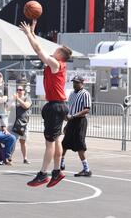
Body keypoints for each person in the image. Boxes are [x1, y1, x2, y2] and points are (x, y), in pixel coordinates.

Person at [20, 19, 72, 188]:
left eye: (56, 50)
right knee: (56, 141)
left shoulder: (56, 64)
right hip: (57, 105)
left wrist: (28, 34)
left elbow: (38, 50)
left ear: (60, 55)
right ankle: (57, 171)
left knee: (49, 143)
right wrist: (33, 33)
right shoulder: (56, 63)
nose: (53, 51)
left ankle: (43, 174)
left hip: (56, 106)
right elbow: (39, 46)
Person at [60, 75, 92, 177]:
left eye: (77, 82)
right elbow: (70, 108)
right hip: (71, 121)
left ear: (82, 83)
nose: (75, 84)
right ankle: (61, 163)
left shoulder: (85, 93)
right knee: (64, 143)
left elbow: (87, 109)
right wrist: (67, 123)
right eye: (74, 82)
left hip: (80, 121)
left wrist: (73, 116)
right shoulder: (72, 94)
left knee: (80, 144)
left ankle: (86, 169)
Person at [7, 85, 32, 164]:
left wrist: (18, 99)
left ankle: (25, 158)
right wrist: (12, 100)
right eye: (17, 90)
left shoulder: (26, 98)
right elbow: (7, 108)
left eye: (20, 90)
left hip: (23, 123)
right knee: (12, 140)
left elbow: (26, 106)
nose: (18, 91)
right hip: (13, 123)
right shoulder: (13, 99)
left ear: (24, 91)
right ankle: (9, 157)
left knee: (23, 141)